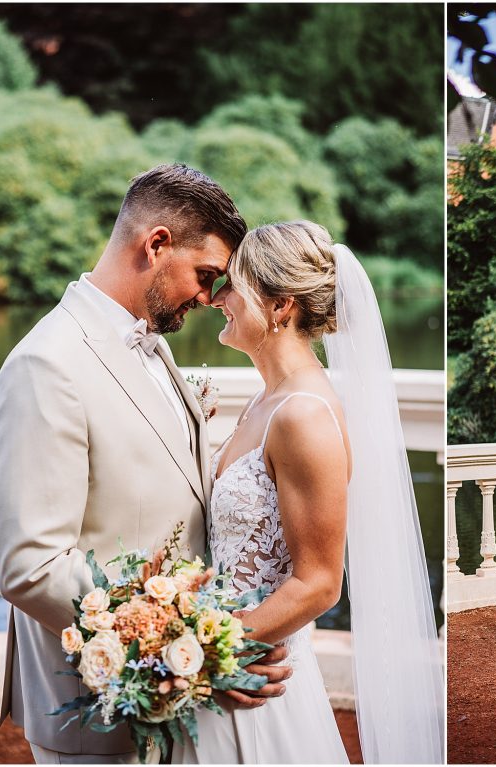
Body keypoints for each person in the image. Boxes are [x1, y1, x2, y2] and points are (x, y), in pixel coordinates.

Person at [0, 164, 290, 764]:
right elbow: (29, 566)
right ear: (155, 245)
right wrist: (194, 645)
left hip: (179, 698)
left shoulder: (153, 342)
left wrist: (215, 639)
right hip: (101, 708)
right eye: (205, 275)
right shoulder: (45, 367)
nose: (209, 297)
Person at [171, 221, 444, 764]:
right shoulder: (267, 400)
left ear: (280, 306)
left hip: (255, 680)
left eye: (234, 285)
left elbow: (320, 583)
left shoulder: (303, 415)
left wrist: (199, 653)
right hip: (227, 665)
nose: (217, 297)